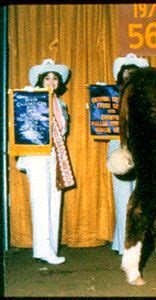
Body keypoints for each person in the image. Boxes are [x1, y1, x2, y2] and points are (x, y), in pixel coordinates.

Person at [16, 58, 75, 264]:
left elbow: (63, 131)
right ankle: (42, 250)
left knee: (54, 199)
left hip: (54, 154)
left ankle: (50, 248)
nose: (51, 81)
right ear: (40, 81)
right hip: (36, 155)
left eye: (55, 78)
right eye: (47, 78)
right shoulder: (33, 97)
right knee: (41, 200)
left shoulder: (61, 103)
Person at [107, 53, 149, 255]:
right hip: (118, 145)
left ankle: (135, 242)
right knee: (122, 195)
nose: (129, 77)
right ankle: (123, 243)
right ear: (120, 76)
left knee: (139, 196)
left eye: (134, 74)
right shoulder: (110, 97)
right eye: (127, 74)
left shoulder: (147, 97)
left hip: (141, 144)